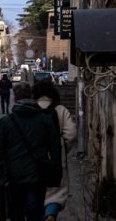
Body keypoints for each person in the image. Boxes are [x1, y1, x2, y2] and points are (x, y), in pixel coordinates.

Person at [0, 82, 61, 221]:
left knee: (15, 214)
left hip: (13, 177)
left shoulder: (6, 122)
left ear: (14, 98)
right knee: (35, 214)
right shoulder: (45, 120)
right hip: (37, 176)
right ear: (31, 96)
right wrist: (55, 174)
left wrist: (1, 179)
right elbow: (55, 149)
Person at [33, 81, 77, 221]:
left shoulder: (31, 108)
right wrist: (62, 150)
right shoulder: (60, 109)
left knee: (35, 193)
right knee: (56, 193)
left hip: (33, 160)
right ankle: (51, 213)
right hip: (55, 160)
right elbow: (71, 134)